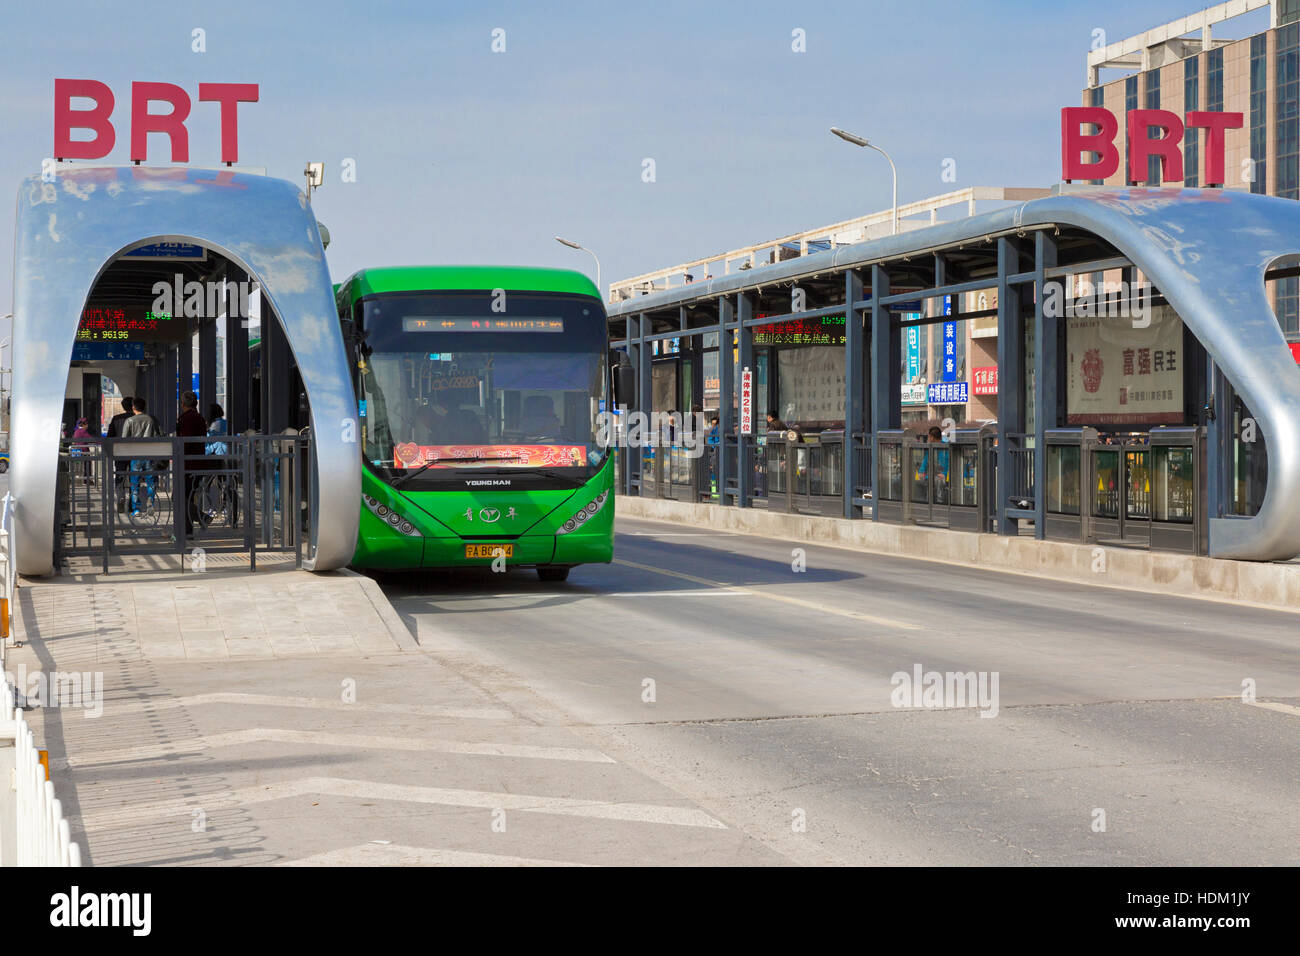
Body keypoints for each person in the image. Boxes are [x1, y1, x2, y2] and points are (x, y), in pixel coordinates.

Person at [175, 392, 208, 535]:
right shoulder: (200, 418)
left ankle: (201, 519)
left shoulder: (186, 419)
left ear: (182, 404)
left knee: (180, 496)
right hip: (197, 461)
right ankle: (187, 530)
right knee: (186, 496)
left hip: (188, 463)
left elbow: (185, 441)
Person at [122, 397, 159, 515]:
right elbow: (156, 436)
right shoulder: (150, 419)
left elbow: (123, 439)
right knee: (151, 481)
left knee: (134, 483)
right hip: (149, 454)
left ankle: (136, 508)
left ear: (133, 407)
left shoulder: (129, 421)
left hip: (135, 455)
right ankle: (150, 502)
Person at [106, 396, 135, 511]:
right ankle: (133, 503)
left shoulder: (116, 419)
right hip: (135, 453)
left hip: (120, 453)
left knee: (119, 476)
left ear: (123, 406)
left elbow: (109, 437)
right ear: (133, 406)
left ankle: (120, 499)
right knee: (134, 478)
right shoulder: (136, 418)